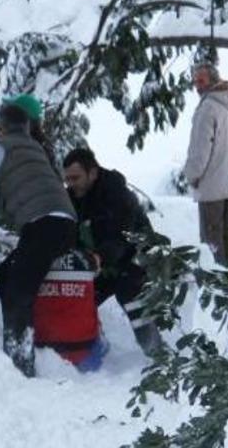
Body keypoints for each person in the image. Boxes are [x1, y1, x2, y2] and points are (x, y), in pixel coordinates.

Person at [0, 94, 77, 377]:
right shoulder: (35, 150)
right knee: (7, 272)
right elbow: (5, 203)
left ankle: (20, 362)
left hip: (42, 224)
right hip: (65, 223)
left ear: (0, 127)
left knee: (18, 289)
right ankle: (17, 345)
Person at [62, 148, 163, 354]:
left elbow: (121, 237)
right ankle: (85, 349)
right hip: (99, 263)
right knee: (76, 298)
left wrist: (99, 256)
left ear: (93, 173)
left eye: (75, 178)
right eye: (67, 179)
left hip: (134, 258)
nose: (71, 184)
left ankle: (156, 353)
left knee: (131, 295)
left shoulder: (117, 194)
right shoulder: (71, 197)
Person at [183, 62, 228, 266]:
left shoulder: (208, 108)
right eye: (195, 81)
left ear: (213, 80)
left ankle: (215, 276)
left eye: (201, 80)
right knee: (227, 229)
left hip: (211, 183)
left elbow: (200, 150)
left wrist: (192, 176)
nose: (197, 86)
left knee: (211, 235)